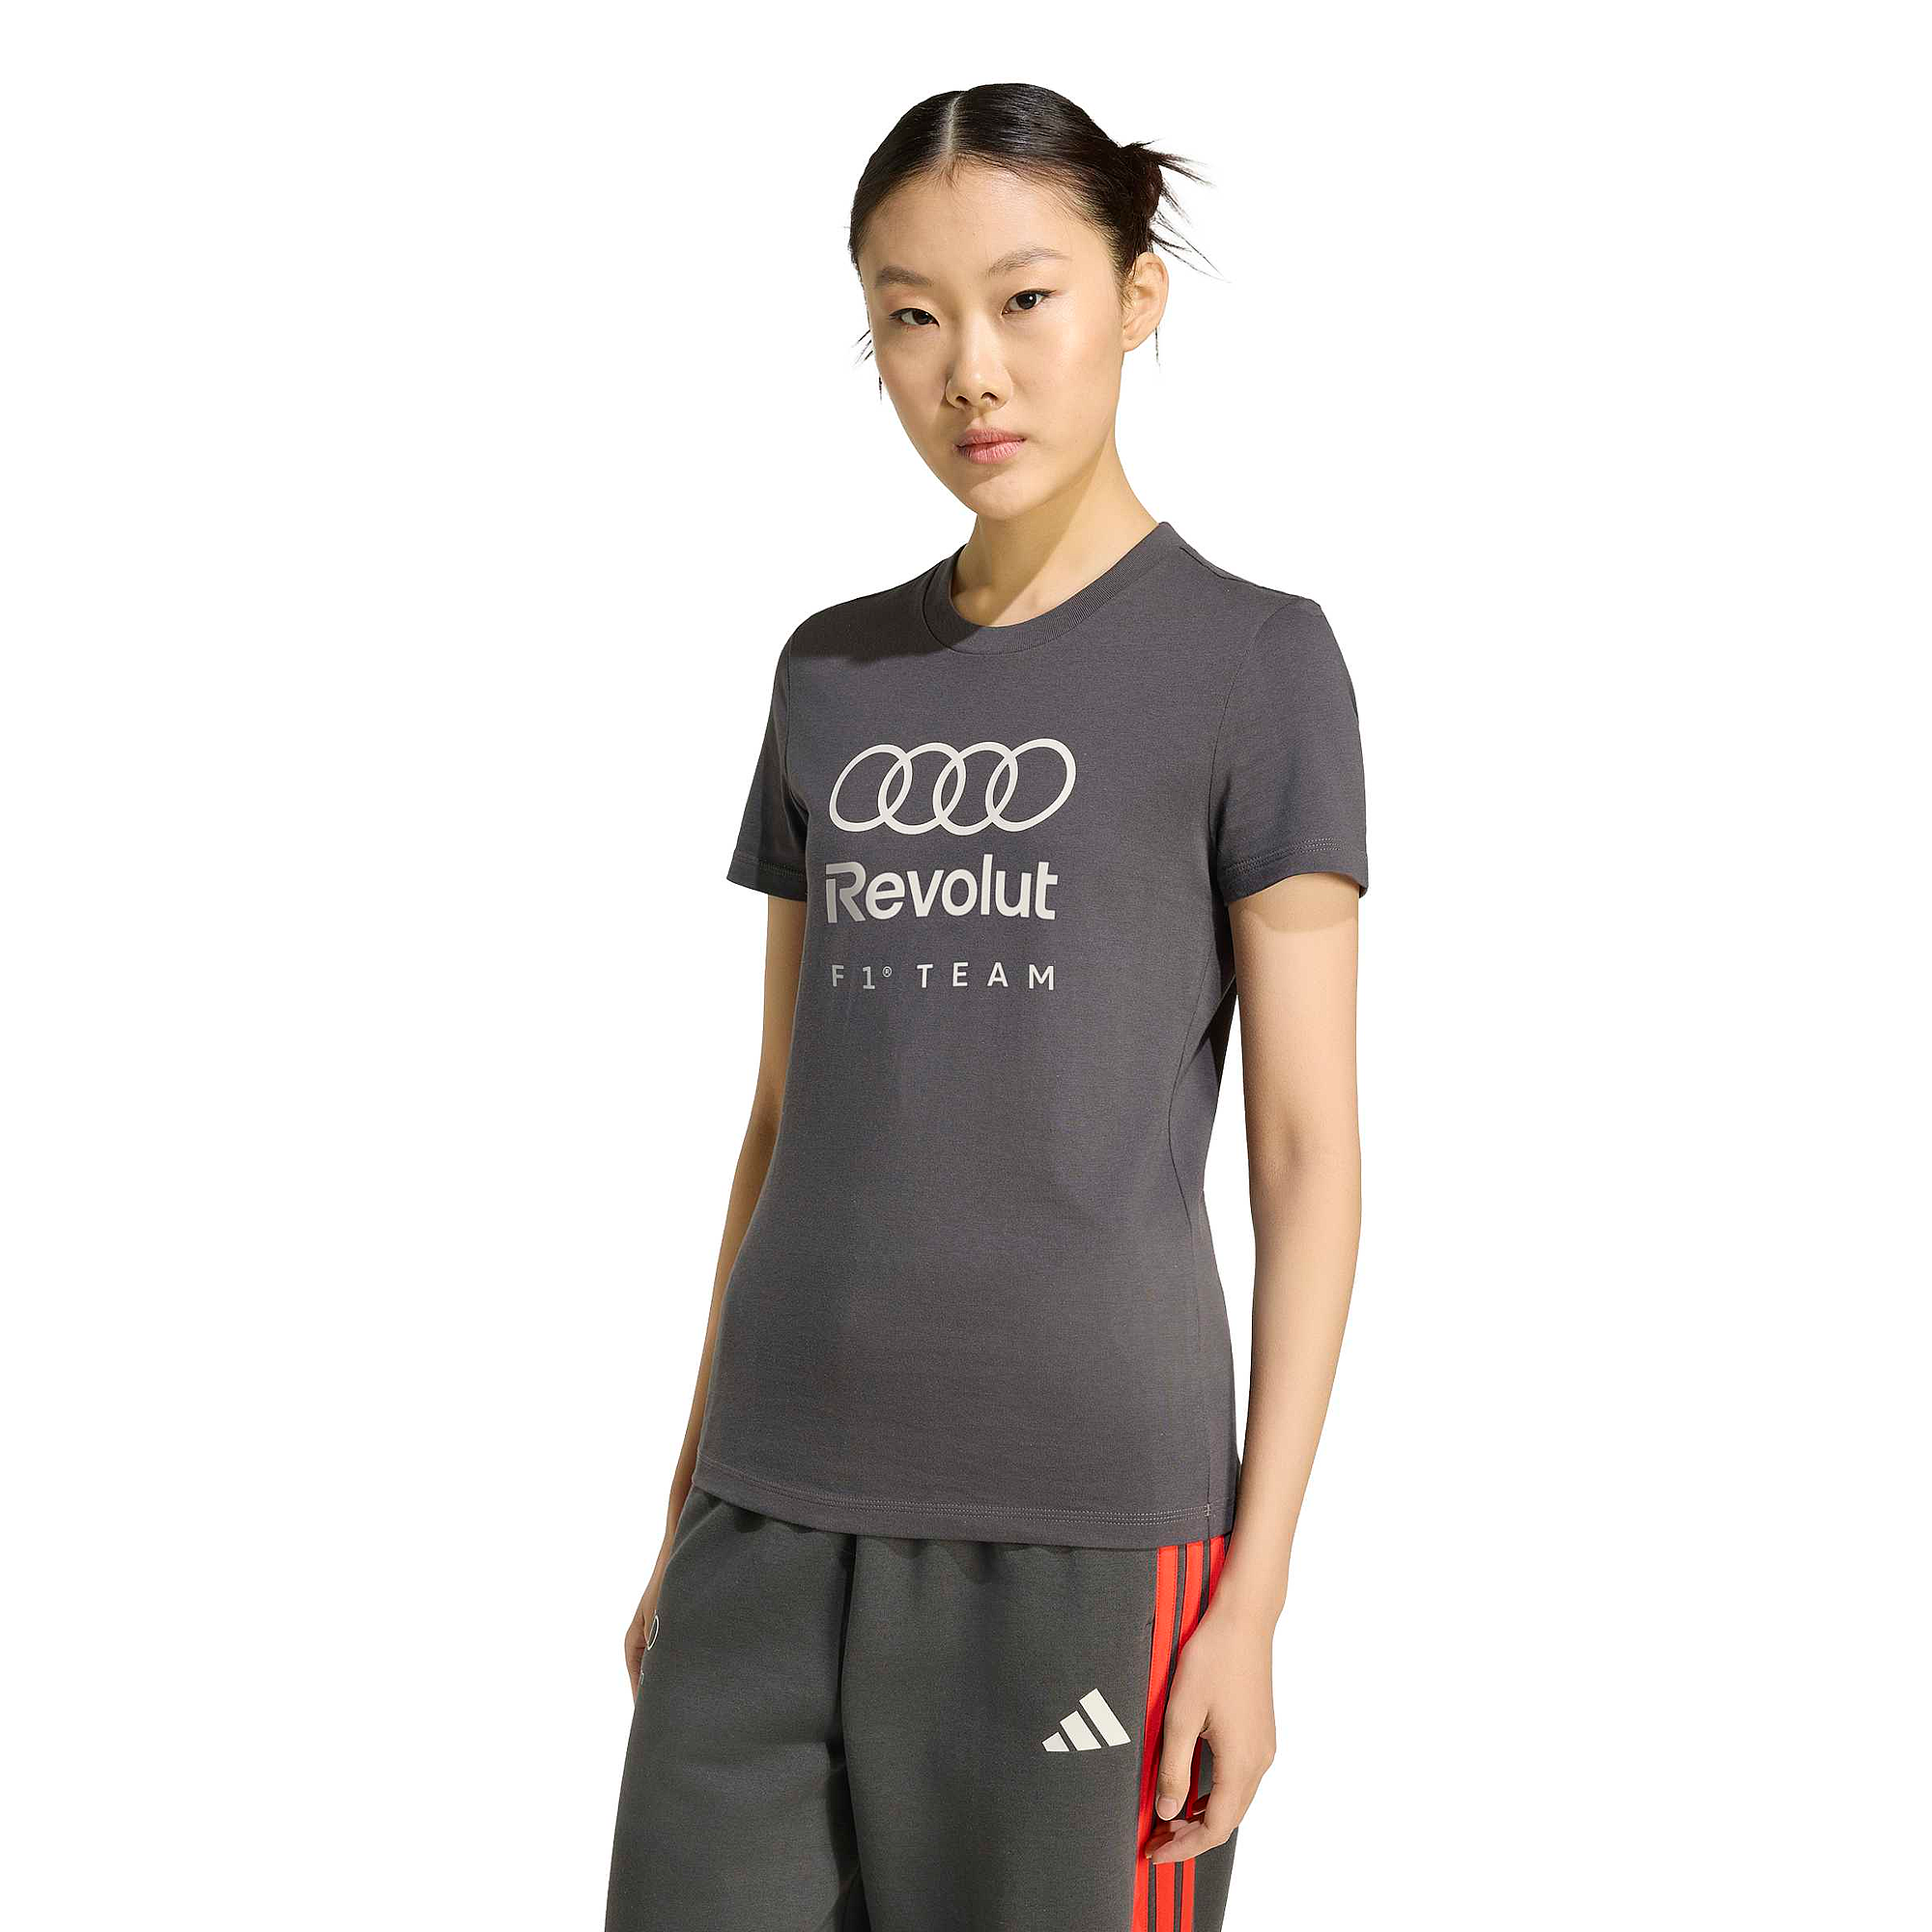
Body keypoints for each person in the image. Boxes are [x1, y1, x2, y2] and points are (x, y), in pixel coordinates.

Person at [605, 81, 1368, 1932]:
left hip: (1085, 1533)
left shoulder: (1256, 662)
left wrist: (1252, 1602)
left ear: (1136, 297)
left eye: (1027, 299)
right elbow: (785, 1116)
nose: (972, 372)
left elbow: (1305, 1155)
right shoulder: (832, 671)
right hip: (771, 1513)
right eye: (910, 315)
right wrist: (690, 1501)